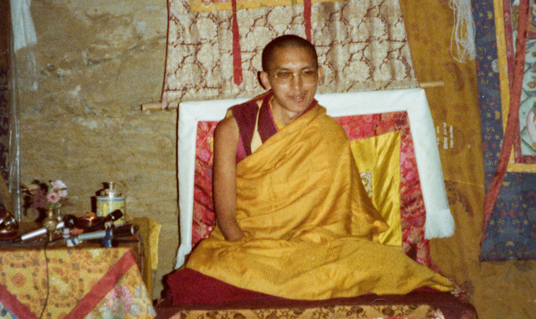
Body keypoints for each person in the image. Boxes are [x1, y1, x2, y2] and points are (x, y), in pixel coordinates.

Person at [180, 34, 454, 302]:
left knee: (379, 263)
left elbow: (345, 218)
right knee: (209, 269)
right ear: (266, 78)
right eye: (284, 75)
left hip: (316, 249)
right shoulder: (233, 129)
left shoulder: (327, 132)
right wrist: (255, 261)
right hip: (253, 246)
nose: (297, 86)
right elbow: (226, 218)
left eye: (306, 73)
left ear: (319, 74)